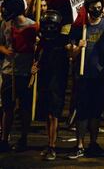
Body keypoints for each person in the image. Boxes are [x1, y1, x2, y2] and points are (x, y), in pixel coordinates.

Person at [67, 0, 104, 159]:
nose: (97, 11)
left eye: (100, 8)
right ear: (87, 9)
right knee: (83, 111)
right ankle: (79, 144)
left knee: (96, 112)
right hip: (83, 76)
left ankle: (93, 143)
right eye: (94, 8)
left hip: (100, 76)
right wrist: (78, 47)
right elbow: (70, 55)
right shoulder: (79, 27)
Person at [0, 0, 36, 152]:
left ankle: (23, 138)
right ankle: (4, 138)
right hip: (9, 71)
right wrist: (5, 51)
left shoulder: (33, 26)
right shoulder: (5, 24)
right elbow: (0, 44)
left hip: (25, 72)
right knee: (7, 107)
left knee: (24, 108)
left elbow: (39, 49)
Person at [32, 10, 69, 161]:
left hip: (57, 81)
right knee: (47, 114)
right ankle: (49, 143)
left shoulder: (63, 40)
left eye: (51, 26)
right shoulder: (42, 42)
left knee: (54, 114)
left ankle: (52, 145)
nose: (48, 29)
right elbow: (38, 57)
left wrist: (76, 48)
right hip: (45, 79)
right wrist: (36, 65)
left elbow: (70, 54)